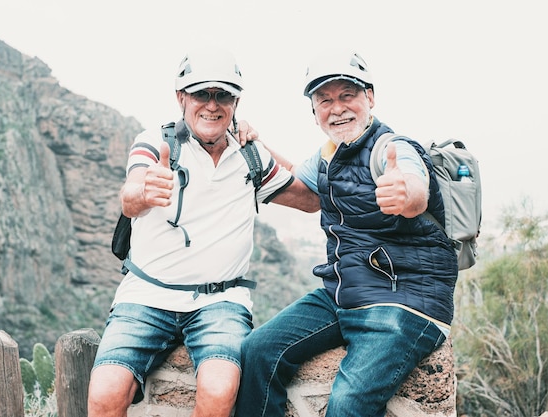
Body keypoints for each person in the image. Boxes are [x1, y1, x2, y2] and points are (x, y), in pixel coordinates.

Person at [87, 47, 319, 417]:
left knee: (220, 389)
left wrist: (261, 145)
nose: (211, 105)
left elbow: (310, 200)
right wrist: (145, 192)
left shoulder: (250, 158)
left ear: (236, 101)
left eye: (222, 95)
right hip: (146, 295)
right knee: (104, 395)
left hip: (220, 302)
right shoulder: (157, 143)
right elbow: (130, 197)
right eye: (201, 94)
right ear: (181, 98)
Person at [234, 50, 459, 417]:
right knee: (257, 351)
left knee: (347, 403)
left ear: (369, 98)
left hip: (406, 301)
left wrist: (405, 195)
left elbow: (414, 188)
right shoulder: (328, 155)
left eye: (347, 96)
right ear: (314, 112)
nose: (337, 108)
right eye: (325, 100)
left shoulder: (393, 148)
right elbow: (303, 194)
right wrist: (249, 146)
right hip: (344, 293)